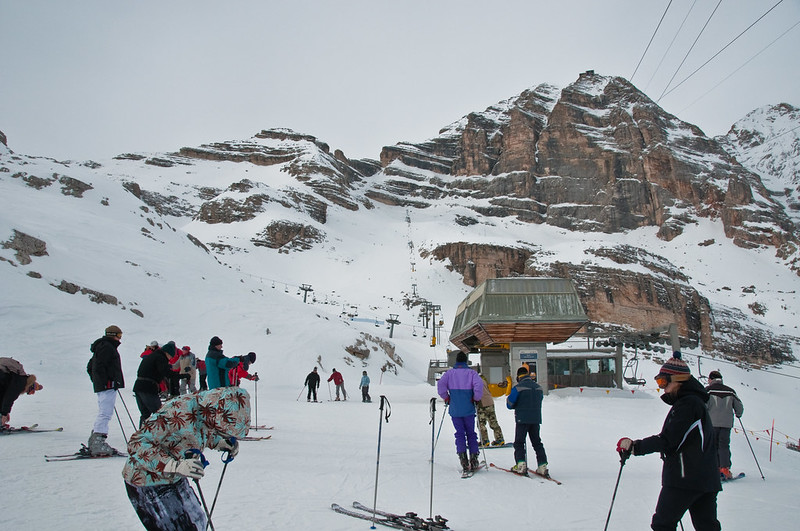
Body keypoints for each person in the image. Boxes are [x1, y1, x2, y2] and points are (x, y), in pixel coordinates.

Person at [616, 352, 721, 531]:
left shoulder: (687, 405)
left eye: (664, 382)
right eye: (659, 383)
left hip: (685, 476)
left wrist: (635, 447)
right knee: (706, 526)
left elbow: (668, 440)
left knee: (663, 524)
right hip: (705, 477)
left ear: (678, 379)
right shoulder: (695, 402)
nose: (662, 388)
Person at [122, 386, 250, 531]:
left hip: (174, 477)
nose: (220, 432)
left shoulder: (206, 411)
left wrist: (219, 442)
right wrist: (173, 465)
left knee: (198, 522)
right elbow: (137, 445)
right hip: (147, 480)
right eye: (221, 430)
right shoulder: (176, 412)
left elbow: (199, 431)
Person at [437, 351, 483, 474]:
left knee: (460, 434)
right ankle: (474, 458)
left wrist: (446, 397)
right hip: (468, 408)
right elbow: (479, 386)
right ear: (466, 361)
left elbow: (441, 384)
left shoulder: (449, 373)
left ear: (456, 361)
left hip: (455, 409)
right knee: (471, 434)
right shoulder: (472, 373)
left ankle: (463, 459)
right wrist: (476, 398)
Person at [86, 325, 125, 456]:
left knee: (105, 412)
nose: (120, 339)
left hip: (106, 386)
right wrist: (105, 382)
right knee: (105, 413)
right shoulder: (107, 347)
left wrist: (99, 382)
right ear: (113, 334)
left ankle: (95, 441)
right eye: (119, 336)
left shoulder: (104, 346)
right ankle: (98, 442)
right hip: (107, 386)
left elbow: (91, 366)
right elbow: (97, 367)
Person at [506, 365, 547, 476]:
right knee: (537, 443)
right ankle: (542, 465)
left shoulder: (518, 388)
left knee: (519, 443)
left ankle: (521, 464)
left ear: (519, 376)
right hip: (536, 419)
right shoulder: (538, 387)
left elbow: (509, 404)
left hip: (522, 419)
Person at [133, 341, 184, 427]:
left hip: (138, 387)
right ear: (167, 353)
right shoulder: (160, 358)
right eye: (171, 356)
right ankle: (162, 435)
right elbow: (166, 373)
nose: (170, 359)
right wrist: (182, 376)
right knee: (160, 413)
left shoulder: (151, 356)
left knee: (145, 414)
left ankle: (141, 434)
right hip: (148, 388)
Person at [705, 370, 744, 480]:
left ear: (711, 379)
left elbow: (702, 404)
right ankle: (725, 469)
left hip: (711, 423)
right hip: (726, 424)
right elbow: (739, 406)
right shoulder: (730, 391)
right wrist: (738, 414)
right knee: (724, 446)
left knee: (712, 446)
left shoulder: (708, 390)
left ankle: (714, 469)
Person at [0, 357, 43, 427]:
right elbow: (9, 396)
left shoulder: (15, 379)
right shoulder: (21, 381)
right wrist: (4, 413)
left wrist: (4, 411)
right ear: (29, 385)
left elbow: (3, 396)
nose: (26, 392)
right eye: (29, 391)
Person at [477, 375, 505, 447]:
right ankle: (500, 439)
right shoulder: (483, 381)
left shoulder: (474, 382)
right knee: (493, 421)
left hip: (482, 404)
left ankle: (484, 440)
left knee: (481, 423)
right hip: (490, 402)